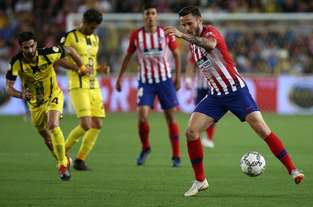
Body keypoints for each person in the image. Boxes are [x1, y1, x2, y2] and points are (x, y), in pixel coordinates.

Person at [164, 6, 304, 197]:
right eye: (183, 25)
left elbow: (210, 45)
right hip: (216, 95)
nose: (187, 27)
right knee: (191, 132)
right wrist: (188, 77)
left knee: (263, 130)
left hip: (237, 91)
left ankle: (293, 170)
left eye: (189, 23)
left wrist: (181, 35)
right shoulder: (192, 44)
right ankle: (200, 180)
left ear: (199, 20)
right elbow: (200, 61)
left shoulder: (211, 32)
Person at [5, 31, 87, 181]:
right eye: (25, 48)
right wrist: (21, 94)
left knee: (53, 124)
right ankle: (64, 160)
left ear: (36, 44)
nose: (29, 50)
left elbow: (70, 50)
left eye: (31, 46)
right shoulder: (16, 63)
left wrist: (81, 67)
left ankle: (62, 165)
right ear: (21, 48)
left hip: (53, 96)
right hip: (35, 104)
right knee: (47, 140)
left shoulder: (49, 53)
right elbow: (9, 88)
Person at [115, 3, 182, 167]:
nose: (150, 16)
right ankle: (145, 148)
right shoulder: (136, 35)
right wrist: (120, 77)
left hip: (165, 80)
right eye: (147, 13)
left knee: (170, 117)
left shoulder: (165, 33)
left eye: (153, 13)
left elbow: (177, 54)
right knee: (142, 115)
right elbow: (128, 56)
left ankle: (176, 155)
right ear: (143, 16)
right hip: (145, 81)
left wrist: (178, 77)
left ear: (156, 16)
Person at [58, 9, 109, 171]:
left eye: (95, 28)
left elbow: (91, 62)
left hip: (93, 85)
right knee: (86, 124)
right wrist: (77, 67)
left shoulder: (95, 38)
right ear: (84, 22)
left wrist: (100, 68)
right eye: (90, 27)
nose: (92, 30)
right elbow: (58, 59)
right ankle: (62, 151)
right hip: (78, 85)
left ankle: (80, 160)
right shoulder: (70, 37)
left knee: (97, 124)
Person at [185, 54, 216, 148]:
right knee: (199, 112)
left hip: (214, 86)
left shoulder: (216, 48)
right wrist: (188, 79)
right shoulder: (195, 50)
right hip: (200, 86)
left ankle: (209, 138)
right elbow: (191, 65)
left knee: (212, 113)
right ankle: (198, 135)